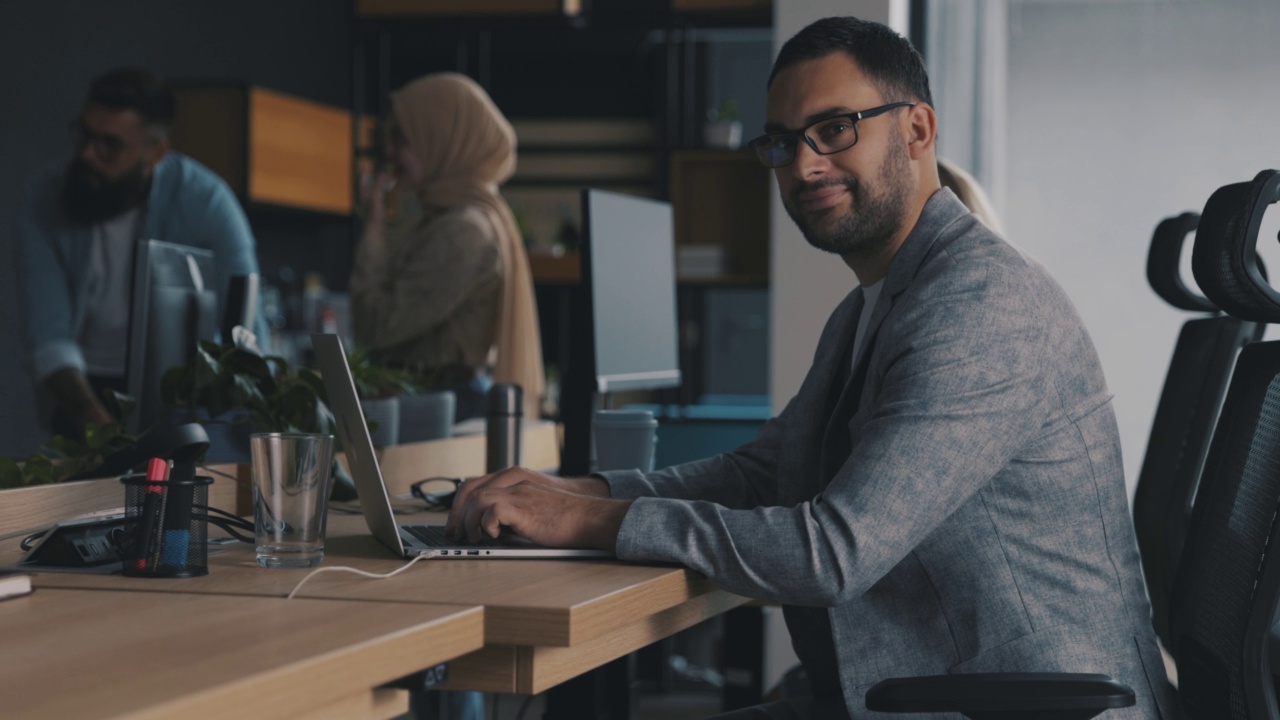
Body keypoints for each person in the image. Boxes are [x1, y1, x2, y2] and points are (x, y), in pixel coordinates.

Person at [444, 16, 1172, 720]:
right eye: (782, 143)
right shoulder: (876, 303)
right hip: (925, 689)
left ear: (917, 130)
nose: (804, 164)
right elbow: (768, 471)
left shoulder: (983, 302)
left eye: (834, 129)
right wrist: (575, 490)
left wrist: (589, 519)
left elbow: (833, 553)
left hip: (1007, 705)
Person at [16, 67, 263, 438]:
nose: (88, 154)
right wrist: (100, 427)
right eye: (84, 134)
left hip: (180, 396)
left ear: (156, 153)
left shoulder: (208, 204)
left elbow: (247, 332)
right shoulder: (43, 198)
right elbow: (48, 334)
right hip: (78, 390)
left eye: (110, 145)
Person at [350, 73, 544, 421]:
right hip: (437, 399)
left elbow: (374, 327)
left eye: (402, 139)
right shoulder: (445, 217)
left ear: (440, 141)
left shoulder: (461, 231)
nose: (390, 151)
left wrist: (375, 228)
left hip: (435, 407)